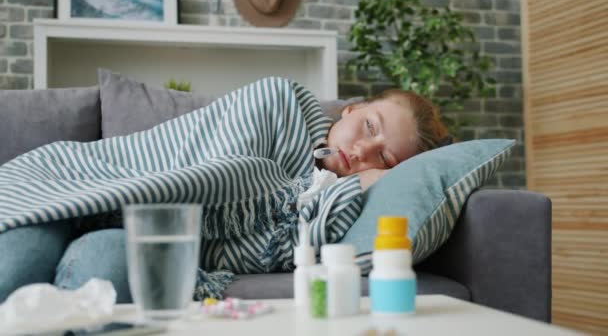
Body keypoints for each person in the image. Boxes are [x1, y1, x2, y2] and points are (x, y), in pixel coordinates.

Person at [0, 77, 448, 303]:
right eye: (369, 126)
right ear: (351, 108)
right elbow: (223, 174)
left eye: (385, 159)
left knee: (109, 273)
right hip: (71, 184)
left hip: (143, 231)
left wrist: (365, 184)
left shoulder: (332, 201)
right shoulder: (280, 101)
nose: (364, 150)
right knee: (15, 269)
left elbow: (266, 246)